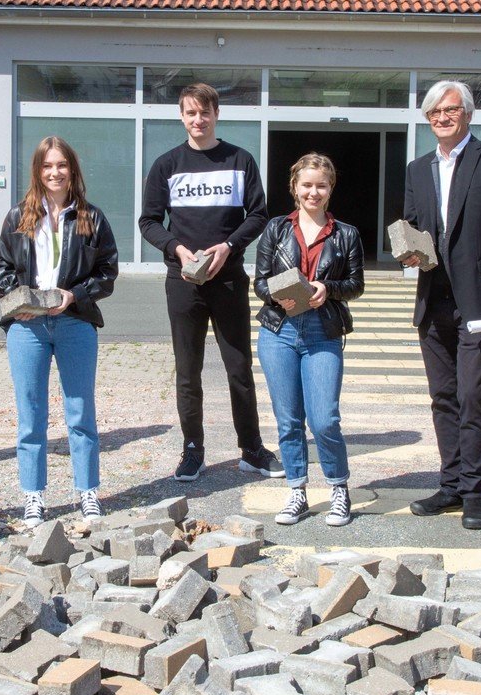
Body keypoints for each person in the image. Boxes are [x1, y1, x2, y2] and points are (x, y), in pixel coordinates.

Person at [401, 80, 481, 530]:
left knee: (473, 397)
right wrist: (409, 251)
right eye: (433, 112)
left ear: (467, 113)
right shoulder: (418, 169)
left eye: (449, 110)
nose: (442, 118)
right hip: (433, 300)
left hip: (480, 301)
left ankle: (475, 493)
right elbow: (414, 227)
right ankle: (451, 485)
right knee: (444, 397)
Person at [139, 82, 281, 482]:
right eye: (190, 113)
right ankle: (192, 450)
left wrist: (229, 247)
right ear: (181, 117)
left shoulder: (240, 160)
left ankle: (251, 448)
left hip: (229, 280)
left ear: (216, 114)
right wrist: (176, 249)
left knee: (238, 366)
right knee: (188, 371)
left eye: (204, 112)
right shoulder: (167, 165)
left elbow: (259, 214)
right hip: (184, 282)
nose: (198, 120)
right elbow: (149, 221)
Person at [0, 137, 119, 526]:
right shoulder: (18, 216)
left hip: (74, 323)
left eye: (62, 165)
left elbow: (107, 273)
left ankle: (87, 492)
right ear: (37, 170)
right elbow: (1, 268)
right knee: (30, 414)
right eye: (47, 166)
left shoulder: (91, 218)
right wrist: (21, 301)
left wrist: (74, 295)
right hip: (28, 327)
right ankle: (33, 496)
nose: (55, 172)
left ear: (72, 170)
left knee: (80, 411)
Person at [254, 153, 365, 527]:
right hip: (279, 331)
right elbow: (259, 282)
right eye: (306, 185)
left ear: (330, 188)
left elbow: (355, 285)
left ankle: (338, 489)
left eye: (320, 185)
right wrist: (276, 294)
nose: (312, 192)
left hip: (323, 332)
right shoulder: (276, 229)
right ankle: (297, 491)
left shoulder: (346, 233)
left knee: (324, 420)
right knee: (288, 420)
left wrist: (326, 288)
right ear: (294, 187)